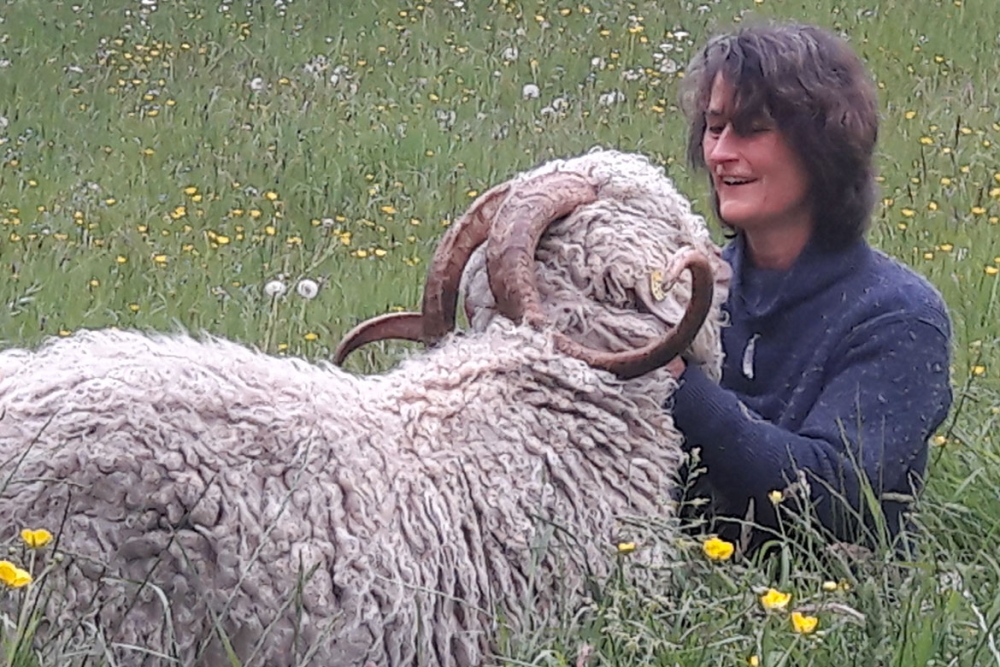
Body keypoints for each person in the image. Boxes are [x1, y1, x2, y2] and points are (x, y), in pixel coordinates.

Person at [667, 22, 953, 555]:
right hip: (675, 612)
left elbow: (832, 494)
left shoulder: (899, 317)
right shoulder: (689, 295)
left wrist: (676, 383)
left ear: (823, 144)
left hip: (829, 619)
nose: (721, 153)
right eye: (713, 127)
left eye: (752, 129)